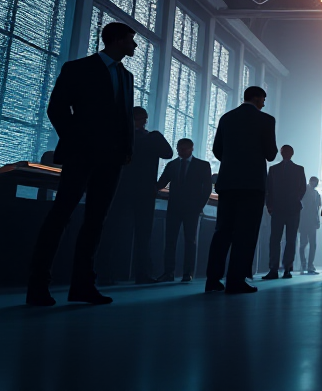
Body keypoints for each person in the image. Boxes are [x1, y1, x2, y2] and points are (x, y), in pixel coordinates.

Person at [26, 22, 137, 306]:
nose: (134, 46)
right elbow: (57, 108)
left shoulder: (127, 76)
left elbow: (125, 117)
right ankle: (38, 286)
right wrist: (77, 142)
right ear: (115, 40)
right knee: (60, 215)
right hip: (82, 155)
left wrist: (126, 150)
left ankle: (83, 286)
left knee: (95, 222)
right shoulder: (77, 68)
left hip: (111, 160)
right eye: (130, 41)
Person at [205, 86, 278, 294]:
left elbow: (217, 149)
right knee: (245, 233)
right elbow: (271, 154)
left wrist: (232, 163)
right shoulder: (266, 120)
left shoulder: (227, 118)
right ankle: (236, 280)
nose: (264, 103)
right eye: (263, 99)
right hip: (252, 185)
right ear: (256, 98)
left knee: (222, 231)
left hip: (228, 183)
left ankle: (212, 279)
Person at [100, 106, 174, 285]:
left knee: (112, 231)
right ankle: (142, 274)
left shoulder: (117, 136)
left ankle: (105, 274)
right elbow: (168, 153)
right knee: (143, 234)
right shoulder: (151, 138)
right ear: (143, 120)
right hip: (144, 191)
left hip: (120, 188)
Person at [155, 138, 211, 283]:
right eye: (180, 149)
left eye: (184, 149)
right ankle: (169, 272)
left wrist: (199, 206)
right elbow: (161, 183)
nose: (181, 151)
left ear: (192, 148)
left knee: (190, 241)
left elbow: (207, 189)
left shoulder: (202, 165)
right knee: (171, 241)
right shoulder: (172, 165)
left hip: (191, 209)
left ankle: (187, 273)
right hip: (174, 207)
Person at [262, 145, 307, 280]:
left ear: (291, 153)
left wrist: (295, 199)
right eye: (284, 151)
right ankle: (275, 268)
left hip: (289, 208)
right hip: (282, 208)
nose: (286, 153)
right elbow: (268, 188)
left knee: (288, 239)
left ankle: (285, 268)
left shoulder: (292, 169)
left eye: (287, 151)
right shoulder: (275, 169)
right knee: (278, 239)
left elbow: (303, 188)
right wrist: (270, 205)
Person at [299, 176, 322, 274]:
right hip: (305, 221)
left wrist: (317, 221)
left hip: (309, 221)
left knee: (309, 244)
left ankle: (307, 265)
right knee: (306, 244)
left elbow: (317, 209)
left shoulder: (316, 194)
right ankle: (307, 265)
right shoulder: (306, 192)